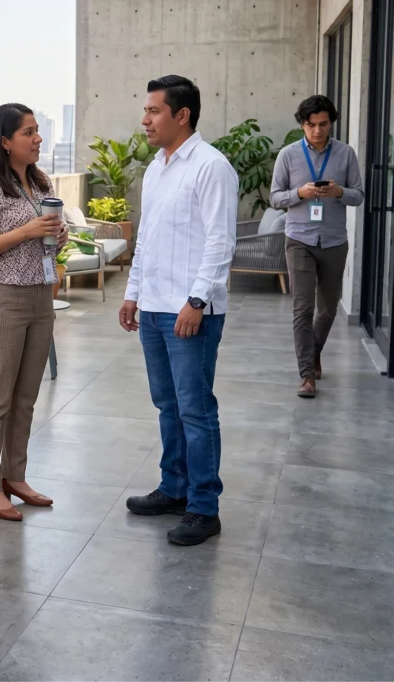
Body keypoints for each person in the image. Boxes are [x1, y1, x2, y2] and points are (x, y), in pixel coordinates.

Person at [119, 76, 238, 546]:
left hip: (190, 312)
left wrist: (196, 301)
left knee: (195, 409)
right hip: (152, 307)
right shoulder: (156, 169)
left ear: (182, 114)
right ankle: (173, 488)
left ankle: (204, 507)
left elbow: (220, 241)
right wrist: (132, 293)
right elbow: (146, 237)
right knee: (167, 405)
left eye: (153, 111)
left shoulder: (211, 167)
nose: (145, 119)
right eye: (146, 110)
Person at [0, 103, 69, 522]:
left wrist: (57, 235)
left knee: (26, 397)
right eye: (28, 132)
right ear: (5, 142)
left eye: (38, 131)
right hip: (1, 299)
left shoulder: (40, 182)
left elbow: (49, 240)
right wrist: (26, 231)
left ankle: (15, 477)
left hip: (39, 297)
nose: (37, 138)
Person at [270, 95, 365, 398]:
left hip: (335, 240)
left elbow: (359, 195)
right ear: (303, 124)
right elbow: (275, 198)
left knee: (327, 309)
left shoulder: (346, 154)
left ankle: (314, 351)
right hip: (299, 238)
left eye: (323, 124)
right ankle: (306, 375)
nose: (318, 131)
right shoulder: (288, 155)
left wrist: (339, 192)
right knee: (303, 308)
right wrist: (299, 193)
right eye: (311, 125)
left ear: (331, 123)